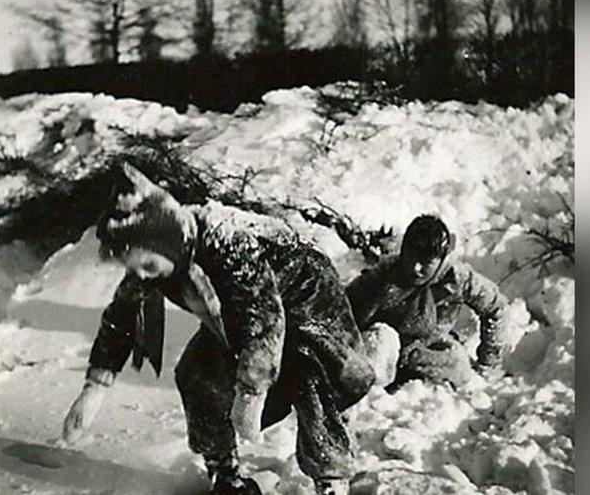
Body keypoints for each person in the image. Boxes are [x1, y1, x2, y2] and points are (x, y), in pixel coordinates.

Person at [61, 163, 375, 495]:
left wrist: (251, 394)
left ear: (171, 243)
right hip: (239, 314)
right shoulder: (154, 259)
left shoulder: (228, 243)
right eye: (135, 267)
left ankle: (331, 476)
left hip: (306, 299)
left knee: (310, 374)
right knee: (197, 372)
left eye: (149, 265)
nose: (143, 275)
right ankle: (225, 473)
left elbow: (264, 319)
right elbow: (121, 316)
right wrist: (94, 389)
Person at [346, 214, 508, 391]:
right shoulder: (386, 273)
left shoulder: (457, 278)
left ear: (440, 260)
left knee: (459, 367)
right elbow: (345, 307)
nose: (416, 268)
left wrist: (488, 363)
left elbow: (496, 307)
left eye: (426, 262)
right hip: (386, 352)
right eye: (411, 257)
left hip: (429, 352)